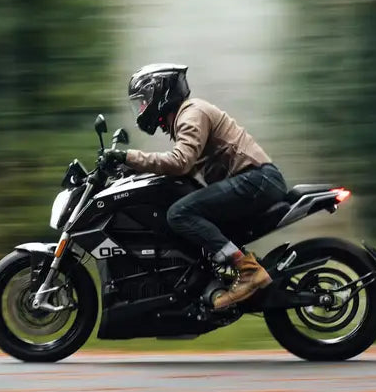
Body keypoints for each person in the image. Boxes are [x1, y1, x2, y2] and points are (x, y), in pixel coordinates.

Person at [103, 63, 287, 310]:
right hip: (251, 182)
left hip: (256, 180)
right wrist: (130, 170)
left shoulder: (191, 114)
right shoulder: (186, 118)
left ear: (161, 93)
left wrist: (129, 157)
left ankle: (248, 271)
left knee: (179, 213)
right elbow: (180, 168)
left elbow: (180, 162)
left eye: (144, 101)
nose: (142, 109)